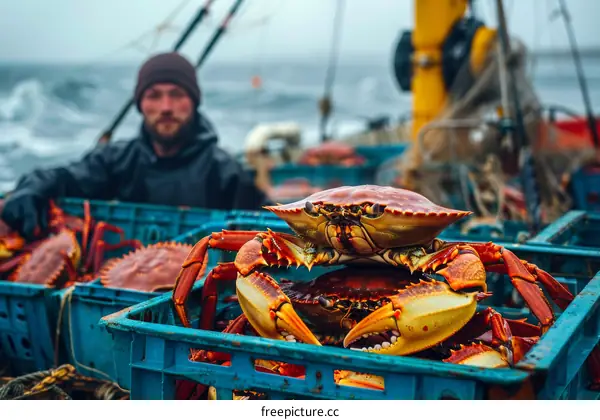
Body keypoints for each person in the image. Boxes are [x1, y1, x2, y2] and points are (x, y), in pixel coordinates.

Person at [1, 52, 271, 240]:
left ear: (194, 102)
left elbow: (267, 223)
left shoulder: (226, 173)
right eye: (154, 96)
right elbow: (63, 177)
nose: (166, 107)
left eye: (176, 95)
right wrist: (31, 188)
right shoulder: (115, 159)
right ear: (140, 104)